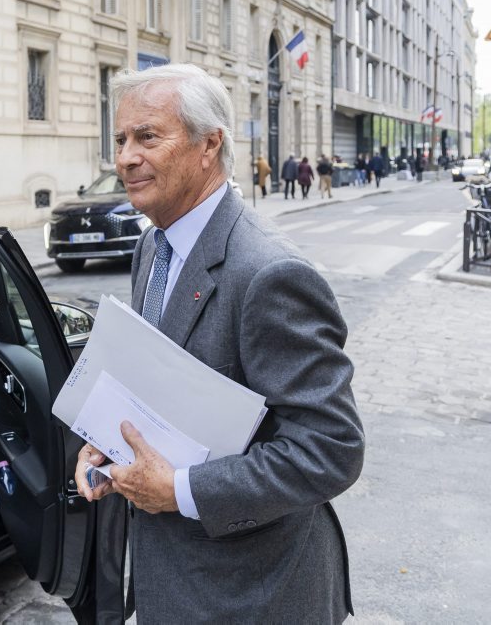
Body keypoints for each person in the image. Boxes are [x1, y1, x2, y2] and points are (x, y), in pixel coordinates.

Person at [75, 64, 364, 622]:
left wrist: (179, 489)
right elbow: (159, 388)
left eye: (147, 137)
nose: (126, 157)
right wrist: (112, 447)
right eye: (121, 139)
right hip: (173, 579)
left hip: (252, 592)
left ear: (209, 145)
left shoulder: (269, 273)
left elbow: (331, 450)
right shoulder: (152, 247)